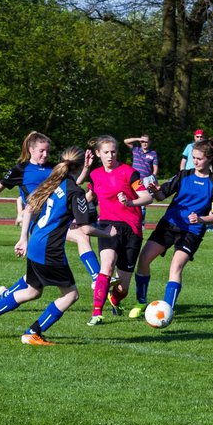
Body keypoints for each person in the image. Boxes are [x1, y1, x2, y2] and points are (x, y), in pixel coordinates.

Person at [0, 146, 116, 345]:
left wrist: (24, 238)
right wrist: (107, 232)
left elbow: (29, 206)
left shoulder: (52, 181)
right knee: (71, 295)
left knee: (33, 291)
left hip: (35, 242)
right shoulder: (75, 192)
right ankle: (33, 332)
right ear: (81, 165)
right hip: (50, 249)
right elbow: (85, 229)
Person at [130, 138, 213, 320]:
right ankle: (141, 302)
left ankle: (167, 312)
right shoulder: (183, 175)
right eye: (193, 157)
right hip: (169, 224)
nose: (195, 161)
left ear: (210, 159)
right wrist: (155, 190)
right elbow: (161, 195)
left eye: (199, 158)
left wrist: (201, 219)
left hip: (192, 231)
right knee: (144, 259)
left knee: (176, 266)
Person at [86, 135, 154, 325]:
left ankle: (114, 299)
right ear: (98, 153)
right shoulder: (95, 174)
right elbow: (89, 196)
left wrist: (130, 202)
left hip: (132, 229)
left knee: (123, 289)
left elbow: (147, 197)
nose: (110, 156)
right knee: (106, 266)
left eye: (113, 152)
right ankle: (96, 313)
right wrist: (71, 211)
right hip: (108, 226)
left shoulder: (129, 172)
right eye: (106, 152)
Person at [0, 131, 52, 225]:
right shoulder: (21, 169)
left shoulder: (55, 168)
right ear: (31, 150)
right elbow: (1, 185)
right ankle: (22, 216)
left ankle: (21, 217)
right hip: (36, 219)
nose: (45, 154)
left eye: (48, 151)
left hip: (55, 214)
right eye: (41, 151)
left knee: (78, 236)